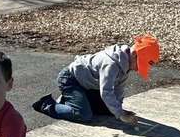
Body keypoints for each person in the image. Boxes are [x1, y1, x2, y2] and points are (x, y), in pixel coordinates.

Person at [31, 35, 160, 126]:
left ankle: (72, 99)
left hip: (88, 86)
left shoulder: (126, 65)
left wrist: (120, 110)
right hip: (71, 80)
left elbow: (118, 89)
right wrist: (120, 114)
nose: (138, 70)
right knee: (83, 114)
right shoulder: (111, 64)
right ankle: (47, 105)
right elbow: (106, 91)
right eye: (140, 65)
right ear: (134, 55)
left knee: (109, 111)